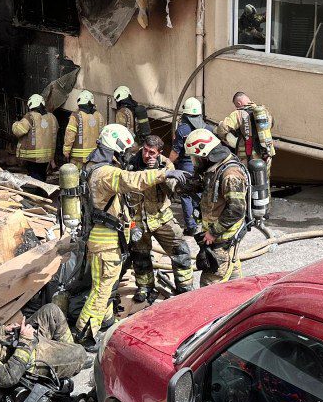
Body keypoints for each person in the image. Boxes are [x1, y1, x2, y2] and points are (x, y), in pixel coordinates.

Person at [73, 124, 189, 347]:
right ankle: (84, 336)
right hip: (105, 240)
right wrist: (164, 173)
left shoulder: (92, 165)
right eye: (122, 152)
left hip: (105, 236)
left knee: (108, 285)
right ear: (114, 149)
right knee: (101, 290)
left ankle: (105, 323)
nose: (125, 156)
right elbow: (130, 181)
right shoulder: (106, 172)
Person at [126, 135, 194, 303]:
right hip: (137, 218)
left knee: (180, 251)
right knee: (140, 256)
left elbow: (172, 190)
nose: (148, 155)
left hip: (161, 217)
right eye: (146, 151)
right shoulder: (130, 161)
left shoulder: (165, 164)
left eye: (152, 153)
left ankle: (185, 289)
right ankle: (145, 287)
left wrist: (159, 172)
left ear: (159, 153)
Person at [181, 128, 250, 286]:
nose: (195, 161)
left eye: (196, 157)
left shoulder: (230, 174)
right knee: (233, 276)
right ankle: (239, 303)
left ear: (204, 152)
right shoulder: (216, 166)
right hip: (222, 240)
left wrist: (213, 232)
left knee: (209, 285)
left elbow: (237, 209)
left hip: (222, 239)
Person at [168, 97, 212, 235]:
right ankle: (203, 219)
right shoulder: (208, 128)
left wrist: (167, 165)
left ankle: (191, 226)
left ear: (185, 113)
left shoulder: (182, 130)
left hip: (186, 165)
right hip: (204, 166)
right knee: (200, 192)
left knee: (186, 195)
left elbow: (175, 151)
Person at [216, 91, 276, 176]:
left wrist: (223, 137)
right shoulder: (263, 111)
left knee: (246, 179)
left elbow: (223, 128)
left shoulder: (238, 113)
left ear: (239, 103)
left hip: (247, 155)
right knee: (264, 179)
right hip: (266, 152)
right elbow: (271, 125)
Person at [12, 94, 57, 181]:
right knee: (42, 174)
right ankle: (41, 192)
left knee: (35, 177)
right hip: (47, 155)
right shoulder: (52, 117)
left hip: (33, 156)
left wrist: (15, 124)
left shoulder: (30, 117)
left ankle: (37, 192)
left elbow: (18, 131)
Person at [62, 90, 103, 170]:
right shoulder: (99, 115)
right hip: (94, 157)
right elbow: (102, 134)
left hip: (78, 158)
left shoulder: (76, 116)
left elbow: (70, 135)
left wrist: (66, 151)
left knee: (76, 179)